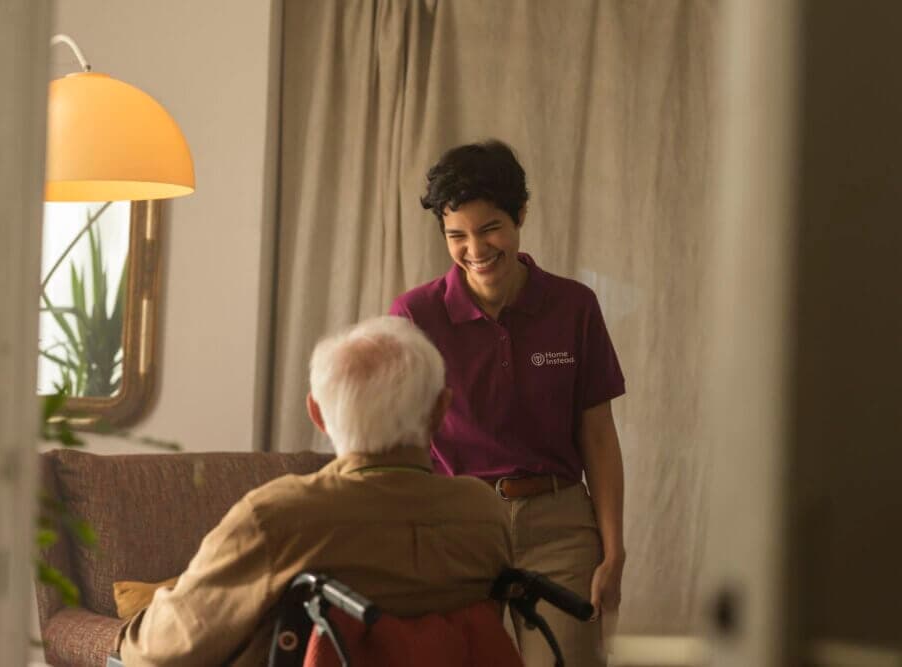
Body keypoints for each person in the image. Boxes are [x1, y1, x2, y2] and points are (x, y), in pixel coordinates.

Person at [117, 316, 513, 666]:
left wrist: (128, 632)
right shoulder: (485, 513)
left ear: (318, 414)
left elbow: (161, 651)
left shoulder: (277, 517)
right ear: (442, 409)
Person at [389, 140, 626, 667]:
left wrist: (614, 552)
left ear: (520, 214)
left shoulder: (574, 306)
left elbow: (599, 435)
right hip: (457, 528)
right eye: (457, 235)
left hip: (560, 529)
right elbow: (401, 444)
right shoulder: (413, 315)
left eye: (489, 228)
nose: (475, 249)